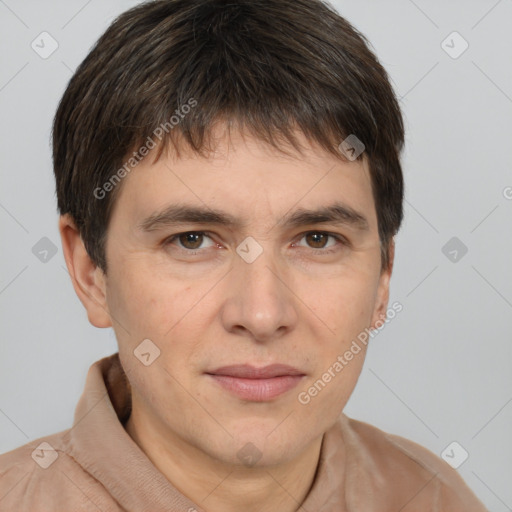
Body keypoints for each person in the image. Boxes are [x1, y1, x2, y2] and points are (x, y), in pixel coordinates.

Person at [0, 0, 487, 510]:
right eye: (192, 240)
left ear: (383, 276)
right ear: (90, 272)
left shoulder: (434, 497)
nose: (261, 315)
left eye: (318, 239)